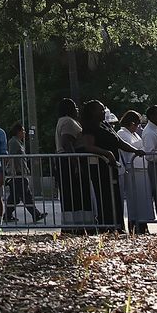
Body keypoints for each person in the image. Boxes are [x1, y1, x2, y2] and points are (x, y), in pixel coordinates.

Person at [79, 100, 137, 231]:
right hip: (100, 169)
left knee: (116, 197)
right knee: (105, 197)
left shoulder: (105, 124)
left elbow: (119, 142)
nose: (103, 111)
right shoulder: (90, 127)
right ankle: (107, 226)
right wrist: (107, 154)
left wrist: (135, 150)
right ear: (93, 112)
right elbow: (89, 146)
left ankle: (118, 226)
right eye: (100, 109)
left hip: (113, 168)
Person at [54, 98, 93, 229]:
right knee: (74, 192)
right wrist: (75, 162)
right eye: (75, 107)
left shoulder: (65, 121)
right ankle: (75, 225)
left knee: (74, 193)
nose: (77, 109)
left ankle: (77, 223)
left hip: (68, 159)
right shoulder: (68, 121)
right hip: (69, 160)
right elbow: (66, 142)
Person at [116, 111, 154, 233]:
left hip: (141, 169)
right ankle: (135, 224)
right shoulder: (122, 133)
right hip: (133, 169)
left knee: (143, 199)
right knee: (135, 199)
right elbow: (130, 148)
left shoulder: (134, 134)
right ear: (132, 123)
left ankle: (143, 224)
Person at [3, 122, 42, 223]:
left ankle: (7, 215)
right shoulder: (13, 142)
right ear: (18, 131)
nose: (24, 132)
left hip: (22, 173)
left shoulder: (20, 142)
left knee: (15, 197)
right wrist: (17, 170)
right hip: (17, 174)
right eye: (23, 130)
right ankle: (36, 214)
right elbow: (13, 157)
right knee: (26, 195)